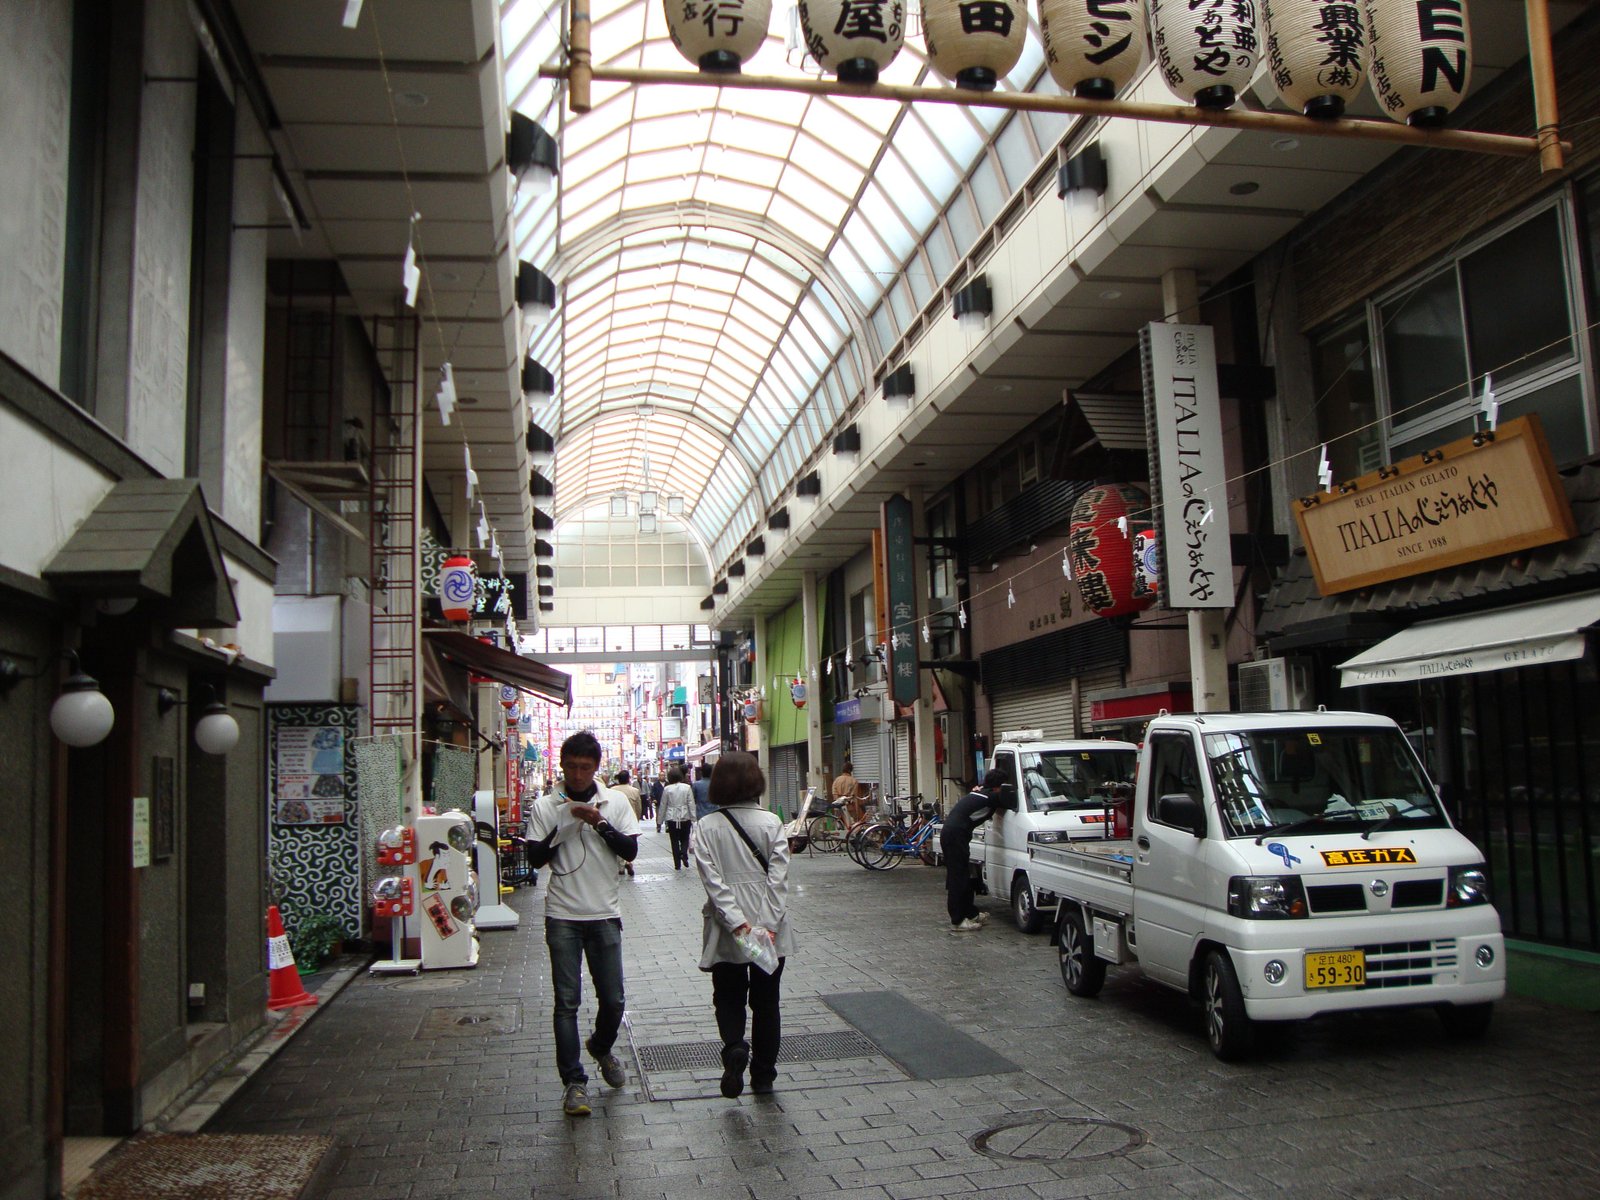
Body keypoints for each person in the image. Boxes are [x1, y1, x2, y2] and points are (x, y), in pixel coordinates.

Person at [524, 732, 641, 1117]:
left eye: (585, 767)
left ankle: (601, 1046)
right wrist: (565, 825)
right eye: (571, 767)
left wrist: (600, 823)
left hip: (605, 913)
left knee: (613, 999)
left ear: (596, 767)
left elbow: (630, 850)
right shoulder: (546, 806)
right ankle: (574, 1082)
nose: (577, 774)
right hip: (562, 916)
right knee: (566, 1003)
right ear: (561, 764)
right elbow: (535, 860)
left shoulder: (616, 801)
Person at [694, 752, 793, 1099]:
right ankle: (763, 1075)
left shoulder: (706, 828)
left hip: (728, 930)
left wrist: (737, 924)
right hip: (769, 931)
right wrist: (765, 926)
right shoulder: (771, 823)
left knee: (729, 995)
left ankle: (735, 1045)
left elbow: (713, 882)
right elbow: (779, 880)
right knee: (767, 1002)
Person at [940, 770, 1007, 932]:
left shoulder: (979, 793)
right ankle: (958, 920)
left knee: (965, 876)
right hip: (955, 836)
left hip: (953, 834)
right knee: (958, 878)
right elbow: (1010, 801)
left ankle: (970, 913)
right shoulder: (991, 797)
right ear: (998, 787)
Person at [656, 765, 697, 870]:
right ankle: (683, 852)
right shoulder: (687, 788)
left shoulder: (667, 789)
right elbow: (691, 804)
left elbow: (663, 805)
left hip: (672, 817)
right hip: (685, 815)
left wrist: (659, 821)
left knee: (674, 840)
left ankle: (677, 863)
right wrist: (694, 819)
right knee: (684, 837)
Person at [612, 770, 643, 877]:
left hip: (617, 820)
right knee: (630, 843)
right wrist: (637, 819)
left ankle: (621, 866)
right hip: (630, 820)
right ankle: (628, 862)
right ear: (628, 779)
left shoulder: (612, 790)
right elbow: (639, 807)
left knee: (618, 842)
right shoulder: (634, 791)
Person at [831, 758, 864, 826]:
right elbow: (855, 798)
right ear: (850, 770)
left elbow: (834, 795)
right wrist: (858, 813)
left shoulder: (836, 780)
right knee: (851, 828)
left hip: (838, 808)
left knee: (840, 827)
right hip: (850, 808)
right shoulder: (853, 781)